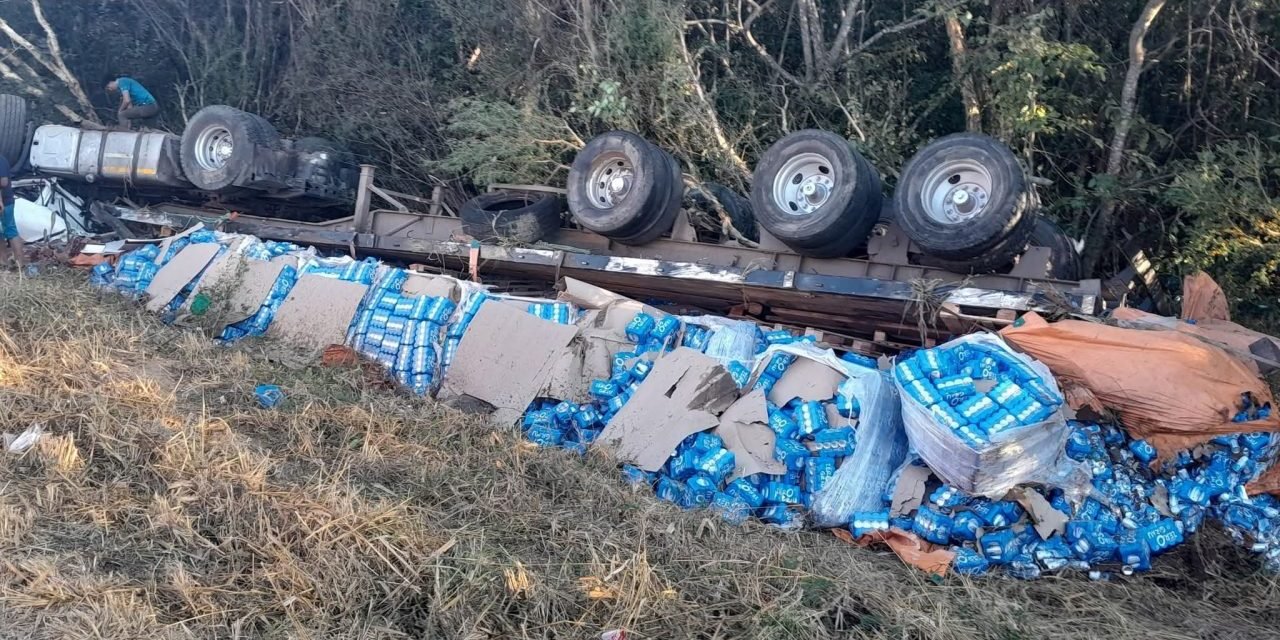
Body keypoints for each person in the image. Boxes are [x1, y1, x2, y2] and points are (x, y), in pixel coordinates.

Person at [0, 153, 25, 273]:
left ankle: (20, 263)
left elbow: (3, 182)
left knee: (10, 230)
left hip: (5, 201)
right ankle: (3, 263)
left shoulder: (1, 160)